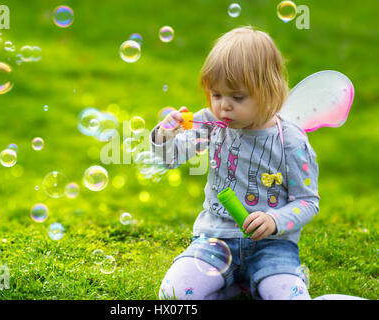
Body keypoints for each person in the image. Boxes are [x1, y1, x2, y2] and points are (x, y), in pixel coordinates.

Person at [150, 26, 365, 300]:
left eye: (237, 97)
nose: (223, 107)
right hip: (213, 241)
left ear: (268, 90)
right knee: (173, 295)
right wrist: (164, 137)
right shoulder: (212, 123)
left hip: (272, 248)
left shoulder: (291, 141)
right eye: (216, 95)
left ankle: (252, 285)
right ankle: (237, 286)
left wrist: (273, 220)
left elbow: (307, 202)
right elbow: (171, 158)